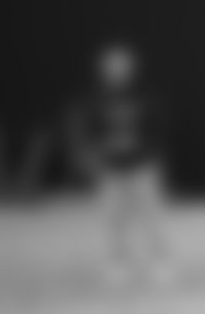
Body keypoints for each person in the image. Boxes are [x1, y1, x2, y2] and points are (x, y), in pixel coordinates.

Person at [72, 43, 169, 282]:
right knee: (113, 220)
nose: (117, 71)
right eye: (112, 67)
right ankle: (117, 263)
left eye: (122, 66)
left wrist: (143, 149)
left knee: (152, 217)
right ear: (103, 70)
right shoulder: (94, 99)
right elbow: (88, 130)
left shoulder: (147, 96)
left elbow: (159, 129)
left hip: (142, 166)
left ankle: (161, 262)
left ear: (132, 69)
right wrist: (97, 151)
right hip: (110, 168)